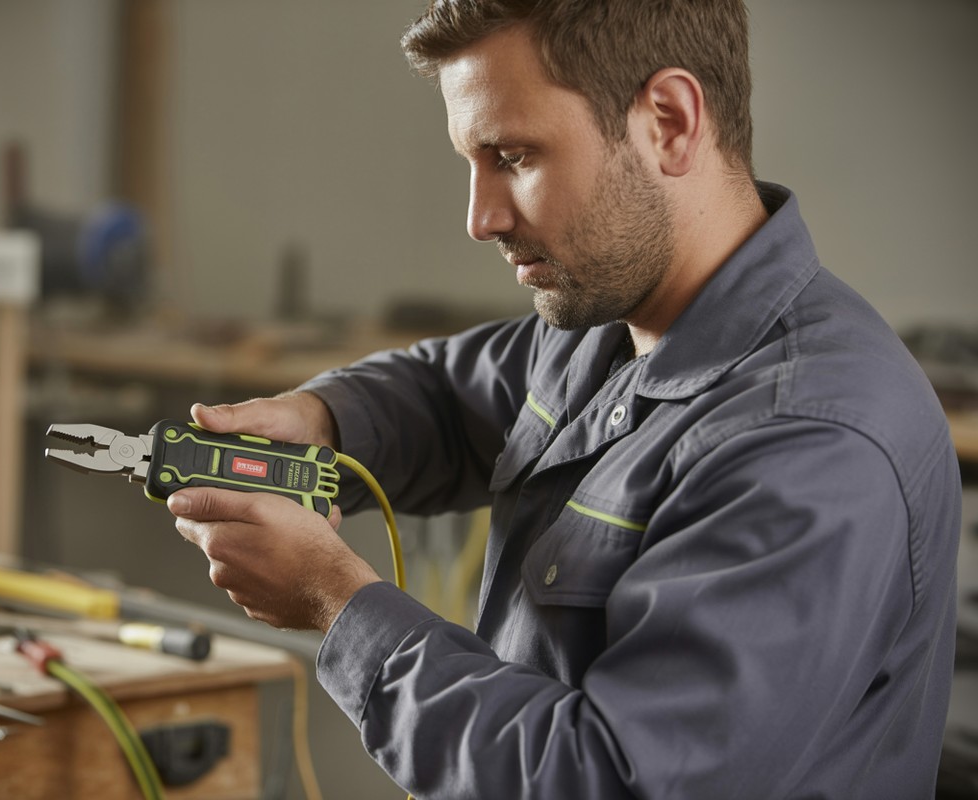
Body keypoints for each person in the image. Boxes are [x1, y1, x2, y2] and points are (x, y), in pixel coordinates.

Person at [168, 1, 962, 797]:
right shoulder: (611, 313)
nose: (480, 218)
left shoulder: (811, 444)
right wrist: (323, 423)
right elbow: (450, 398)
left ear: (670, 122)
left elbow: (608, 780)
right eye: (472, 161)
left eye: (513, 156)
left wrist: (337, 602)